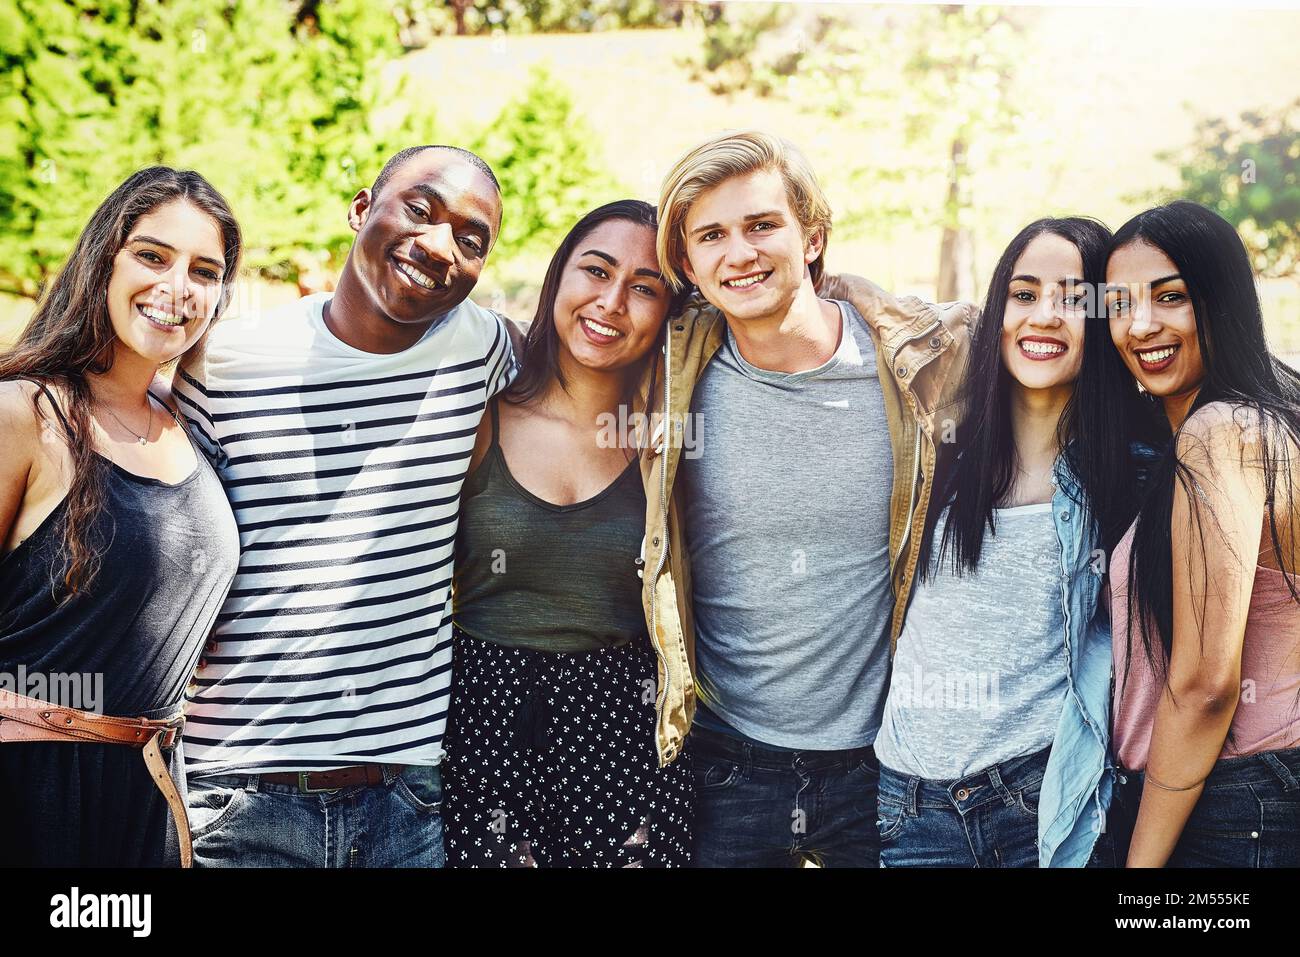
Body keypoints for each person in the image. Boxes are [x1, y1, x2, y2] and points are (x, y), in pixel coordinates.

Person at [172, 145, 516, 868]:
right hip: (238, 796)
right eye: (418, 210)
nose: (437, 243)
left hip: (406, 799)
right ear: (362, 209)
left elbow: (598, 361)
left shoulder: (482, 348)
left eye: (470, 238)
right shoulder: (221, 361)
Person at [646, 129, 974, 867]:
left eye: (762, 225)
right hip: (726, 758)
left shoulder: (920, 363)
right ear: (690, 264)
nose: (741, 252)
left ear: (813, 235)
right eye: (712, 236)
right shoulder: (667, 371)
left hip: (882, 760)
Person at [872, 217, 1153, 867]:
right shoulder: (936, 446)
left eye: (1073, 299)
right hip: (908, 808)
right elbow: (876, 316)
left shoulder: (1127, 473)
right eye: (1023, 295)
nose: (1044, 317)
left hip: (1035, 799)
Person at [0, 166, 242, 866]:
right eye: (153, 255)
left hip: (149, 805)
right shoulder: (25, 414)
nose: (178, 287)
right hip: (30, 800)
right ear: (103, 258)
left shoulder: (190, 424)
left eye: (205, 269)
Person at [443, 200, 693, 867]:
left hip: (626, 730)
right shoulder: (480, 415)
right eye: (596, 270)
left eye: (645, 287)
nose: (612, 301)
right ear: (558, 278)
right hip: (483, 727)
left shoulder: (667, 441)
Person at [1101, 201, 1300, 867]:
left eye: (1171, 297)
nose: (1139, 325)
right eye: (1120, 302)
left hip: (1224, 804)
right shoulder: (1272, 416)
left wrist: (1141, 866)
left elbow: (1207, 684)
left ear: (1224, 300)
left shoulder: (1220, 433)